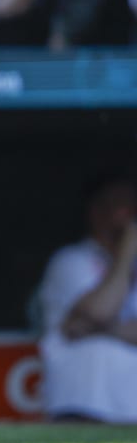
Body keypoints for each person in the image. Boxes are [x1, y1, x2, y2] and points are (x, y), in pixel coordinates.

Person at [33, 173, 137, 423]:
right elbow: (97, 312)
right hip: (84, 401)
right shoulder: (70, 260)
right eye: (119, 204)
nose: (129, 214)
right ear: (96, 211)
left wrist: (103, 330)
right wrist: (126, 254)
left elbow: (91, 324)